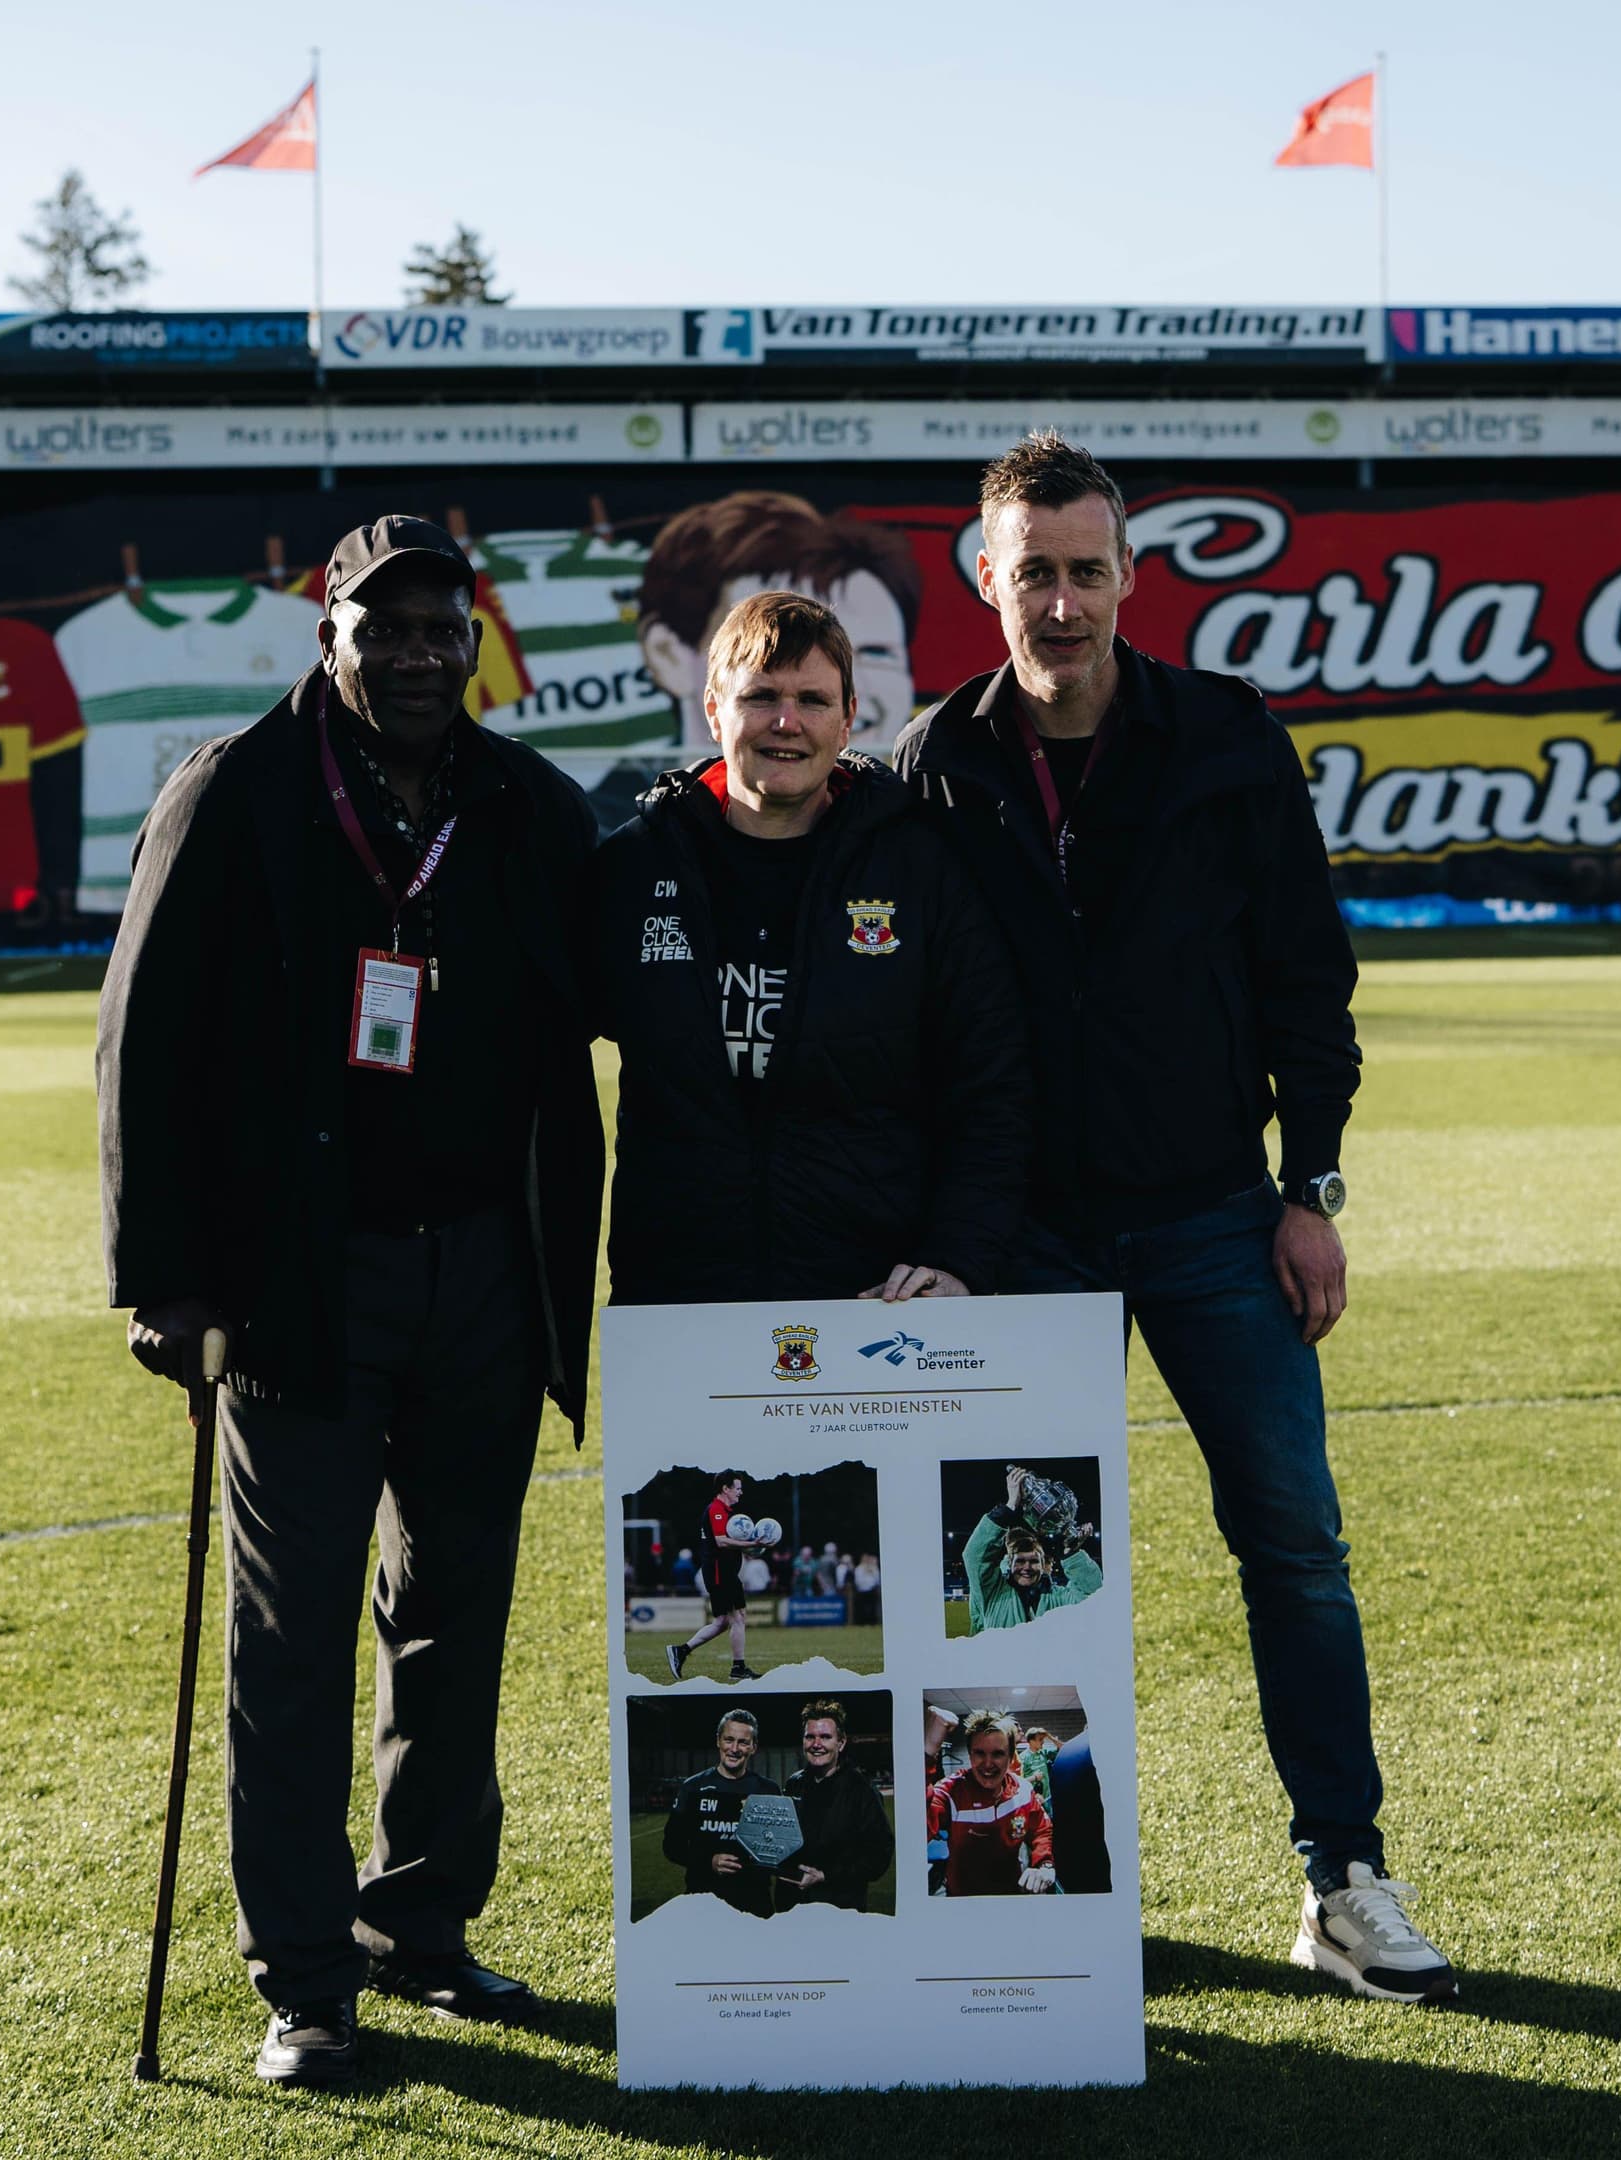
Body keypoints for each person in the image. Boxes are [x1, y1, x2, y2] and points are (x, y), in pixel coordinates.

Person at [895, 434, 1455, 2003]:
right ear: (984, 575)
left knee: (1294, 1546)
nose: (1061, 600)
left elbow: (1308, 983)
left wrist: (1311, 1187)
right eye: (1034, 569)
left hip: (1216, 1216)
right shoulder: (930, 765)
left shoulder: (1224, 737)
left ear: (1129, 578)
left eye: (1087, 569)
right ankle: (1027, 1894)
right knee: (1012, 1579)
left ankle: (1343, 1879)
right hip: (1022, 1245)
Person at [97, 514, 606, 2088]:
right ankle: (307, 1980)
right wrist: (160, 1280)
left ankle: (420, 1932)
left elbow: (629, 980)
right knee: (297, 1640)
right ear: (329, 631)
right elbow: (142, 1044)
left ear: (476, 642)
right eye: (382, 626)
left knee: (454, 1623)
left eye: (441, 629)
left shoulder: (527, 807)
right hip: (299, 1286)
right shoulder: (234, 792)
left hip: (485, 1280)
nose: (413, 654)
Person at [590, 589, 1031, 1306]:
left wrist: (958, 1255)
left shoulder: (918, 868)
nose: (786, 722)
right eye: (760, 696)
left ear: (849, 717)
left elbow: (993, 1084)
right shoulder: (636, 868)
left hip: (875, 1297)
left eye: (813, 700)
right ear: (712, 709)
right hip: (678, 1300)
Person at [637, 490, 925, 753]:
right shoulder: (610, 807)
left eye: (876, 653)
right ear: (668, 654)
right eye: (784, 649)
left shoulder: (931, 800)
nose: (843, 684)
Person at [662, 1708, 786, 1916]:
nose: (734, 1748)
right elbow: (672, 1846)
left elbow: (779, 1847)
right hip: (703, 1900)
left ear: (753, 1747)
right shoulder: (693, 1788)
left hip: (754, 1902)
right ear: (718, 1741)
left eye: (743, 1742)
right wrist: (708, 1861)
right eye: (729, 1740)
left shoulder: (768, 1790)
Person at [777, 1700, 893, 1914]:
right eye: (810, 1736)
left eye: (825, 1737)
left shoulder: (862, 1790)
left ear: (841, 1742)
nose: (816, 1744)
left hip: (839, 1908)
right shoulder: (794, 1783)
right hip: (792, 1908)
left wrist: (825, 1875)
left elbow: (879, 1855)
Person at [926, 1709, 1058, 1897]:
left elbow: (1041, 1830)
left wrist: (1044, 1864)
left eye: (997, 1754)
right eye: (979, 1753)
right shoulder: (951, 1792)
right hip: (963, 1902)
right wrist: (927, 1753)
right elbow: (916, 1829)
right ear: (970, 1755)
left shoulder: (1022, 1790)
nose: (988, 1764)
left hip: (1011, 1896)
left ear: (1011, 1756)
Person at [959, 1465, 1102, 1631]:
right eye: (1020, 1561)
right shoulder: (992, 1593)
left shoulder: (1057, 1597)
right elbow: (974, 1556)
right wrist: (1010, 1506)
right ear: (1010, 1563)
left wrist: (1072, 1556)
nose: (1027, 1567)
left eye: (1034, 1561)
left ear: (1042, 1565)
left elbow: (1093, 1598)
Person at [669, 1471, 773, 1682]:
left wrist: (751, 1548)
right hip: (720, 1571)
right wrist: (753, 1544)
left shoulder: (725, 1511)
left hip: (721, 1571)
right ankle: (738, 1667)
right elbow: (721, 1541)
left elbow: (728, 1542)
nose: (740, 1493)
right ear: (725, 1489)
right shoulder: (716, 1509)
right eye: (737, 1488)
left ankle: (680, 1651)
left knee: (723, 1621)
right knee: (738, 1616)